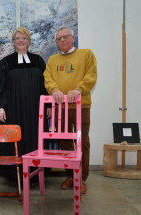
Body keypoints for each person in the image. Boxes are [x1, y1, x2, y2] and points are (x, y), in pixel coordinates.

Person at [44, 27, 97, 194]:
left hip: (81, 106)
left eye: (65, 37)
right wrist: (54, 90)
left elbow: (91, 75)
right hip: (61, 107)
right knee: (64, 141)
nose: (62, 40)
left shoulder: (86, 54)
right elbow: (48, 77)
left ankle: (81, 178)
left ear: (73, 38)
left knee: (82, 142)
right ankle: (69, 175)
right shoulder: (52, 59)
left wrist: (80, 89)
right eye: (59, 38)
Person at [0, 27, 48, 181]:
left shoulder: (38, 60)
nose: (21, 41)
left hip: (36, 110)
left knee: (35, 138)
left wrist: (48, 106)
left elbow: (46, 84)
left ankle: (37, 174)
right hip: (13, 110)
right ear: (13, 42)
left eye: (24, 38)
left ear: (29, 41)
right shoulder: (6, 62)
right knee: (15, 140)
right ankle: (13, 175)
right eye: (17, 38)